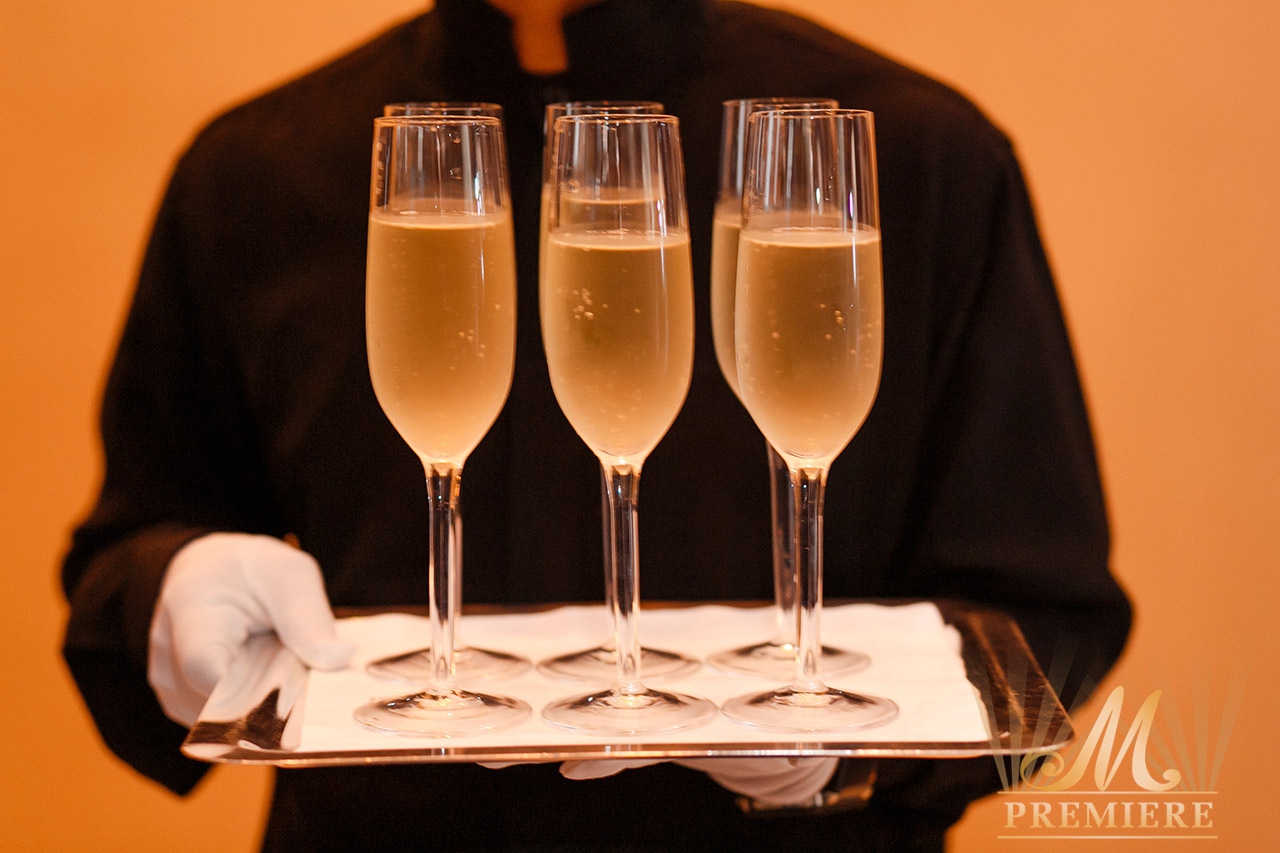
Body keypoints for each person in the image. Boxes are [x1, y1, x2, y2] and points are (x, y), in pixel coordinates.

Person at [61, 0, 1131, 849]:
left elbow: (1051, 615)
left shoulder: (919, 155)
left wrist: (845, 757)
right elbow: (124, 551)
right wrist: (172, 590)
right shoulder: (252, 172)